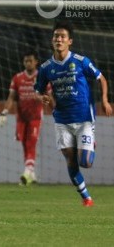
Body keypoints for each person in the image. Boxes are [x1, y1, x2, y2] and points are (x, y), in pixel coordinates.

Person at [35, 21, 112, 207]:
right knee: (70, 159)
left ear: (70, 41)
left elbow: (101, 78)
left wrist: (104, 99)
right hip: (61, 119)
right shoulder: (46, 67)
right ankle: (86, 198)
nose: (58, 39)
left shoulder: (80, 61)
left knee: (85, 162)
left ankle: (90, 141)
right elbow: (38, 90)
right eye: (56, 36)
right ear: (52, 41)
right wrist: (43, 97)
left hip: (84, 117)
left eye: (62, 36)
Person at [0, 50, 51, 185]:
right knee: (24, 143)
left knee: (31, 142)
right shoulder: (17, 78)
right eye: (26, 61)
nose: (28, 63)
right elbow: (11, 97)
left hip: (35, 116)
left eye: (30, 61)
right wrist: (4, 112)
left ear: (36, 62)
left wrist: (46, 101)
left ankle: (27, 171)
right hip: (21, 117)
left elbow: (50, 96)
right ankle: (31, 173)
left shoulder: (42, 76)